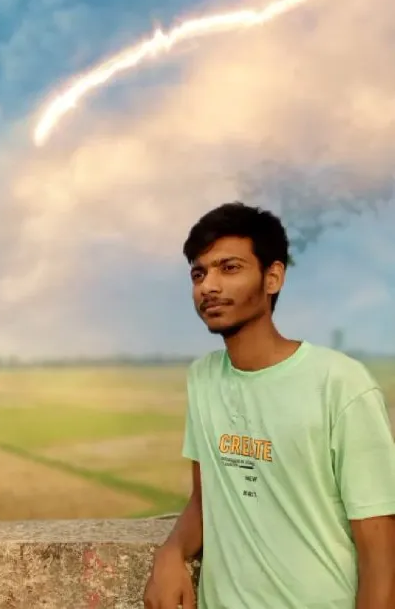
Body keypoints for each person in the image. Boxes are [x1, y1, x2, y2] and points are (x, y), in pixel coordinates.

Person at [144, 202, 395, 609]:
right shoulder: (203, 379)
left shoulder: (340, 384)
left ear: (272, 277)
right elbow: (205, 497)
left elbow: (380, 553)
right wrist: (171, 551)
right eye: (199, 272)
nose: (209, 285)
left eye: (229, 268)